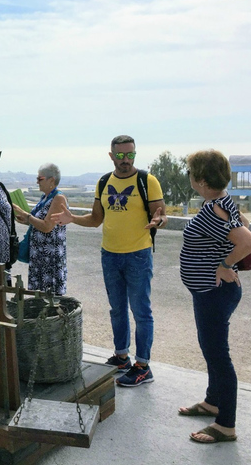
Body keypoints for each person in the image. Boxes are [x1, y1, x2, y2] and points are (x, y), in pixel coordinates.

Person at [52, 135, 167, 387]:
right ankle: (122, 357)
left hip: (138, 254)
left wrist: (158, 220)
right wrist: (72, 219)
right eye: (121, 155)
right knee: (117, 309)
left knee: (141, 311)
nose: (126, 160)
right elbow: (95, 219)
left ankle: (143, 366)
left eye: (131, 155)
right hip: (110, 255)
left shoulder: (147, 181)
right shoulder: (104, 182)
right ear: (111, 155)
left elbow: (161, 214)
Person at [177, 150, 251, 444]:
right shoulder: (222, 201)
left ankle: (226, 425)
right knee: (211, 350)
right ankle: (213, 402)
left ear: (199, 179)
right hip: (211, 292)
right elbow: (242, 225)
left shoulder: (213, 211)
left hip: (215, 293)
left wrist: (224, 265)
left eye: (189, 173)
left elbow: (249, 240)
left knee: (218, 356)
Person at [13, 163, 68, 294]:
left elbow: (47, 226)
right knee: (38, 297)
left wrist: (27, 216)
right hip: (40, 257)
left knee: (49, 297)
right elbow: (41, 223)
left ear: (51, 180)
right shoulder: (45, 197)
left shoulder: (58, 198)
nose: (37, 182)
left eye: (40, 179)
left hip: (50, 259)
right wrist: (26, 220)